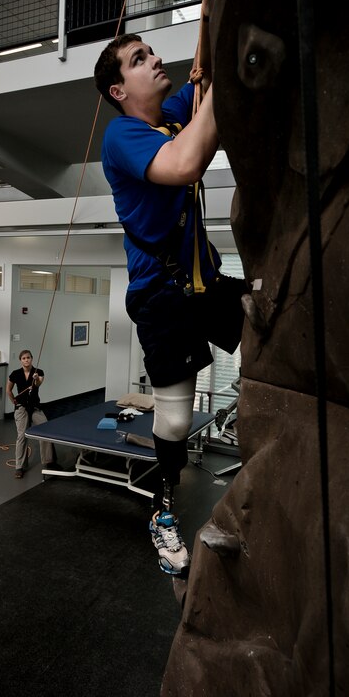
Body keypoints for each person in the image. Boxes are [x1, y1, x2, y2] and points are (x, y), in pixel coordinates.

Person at [94, 32, 247, 576]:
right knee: (177, 422)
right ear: (118, 89)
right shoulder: (122, 135)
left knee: (274, 331)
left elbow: (201, 77)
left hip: (205, 280)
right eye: (139, 60)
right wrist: (225, 82)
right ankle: (163, 516)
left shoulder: (176, 109)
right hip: (160, 295)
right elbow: (185, 164)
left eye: (151, 51)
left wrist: (213, 23)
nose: (155, 59)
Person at [6, 349, 55, 477]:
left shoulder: (38, 372)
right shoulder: (15, 374)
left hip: (34, 407)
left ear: (32, 359)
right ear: (20, 360)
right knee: (22, 435)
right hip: (21, 408)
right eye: (24, 358)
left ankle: (49, 461)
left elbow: (38, 383)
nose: (26, 360)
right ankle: (19, 466)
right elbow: (8, 390)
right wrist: (15, 403)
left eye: (28, 357)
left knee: (45, 429)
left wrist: (36, 378)